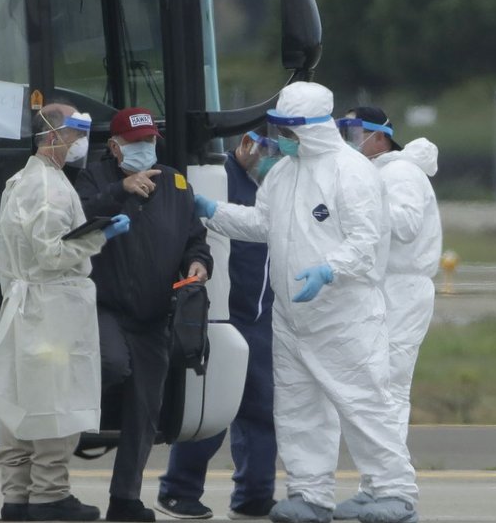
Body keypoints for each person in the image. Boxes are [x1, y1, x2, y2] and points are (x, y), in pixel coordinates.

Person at [193, 82, 420, 523]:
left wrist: (329, 269)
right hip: (291, 315)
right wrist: (212, 211)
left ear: (311, 129)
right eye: (278, 129)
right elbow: (263, 224)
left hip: (344, 312)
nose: (280, 139)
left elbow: (367, 240)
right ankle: (309, 492)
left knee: (364, 403)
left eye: (288, 130)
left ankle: (393, 490)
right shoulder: (282, 174)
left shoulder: (352, 172)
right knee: (297, 406)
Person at [0, 103, 130, 522]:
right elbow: (52, 253)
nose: (80, 143)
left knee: (23, 403)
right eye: (75, 133)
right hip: (51, 311)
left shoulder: (21, 181)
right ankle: (50, 496)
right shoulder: (48, 187)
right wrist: (99, 236)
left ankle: (17, 497)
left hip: (28, 309)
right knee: (55, 402)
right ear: (53, 135)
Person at [75, 107, 213, 522]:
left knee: (146, 408)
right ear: (115, 148)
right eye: (136, 143)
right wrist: (122, 189)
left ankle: (126, 498)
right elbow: (76, 219)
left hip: (155, 313)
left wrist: (200, 263)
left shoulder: (176, 183)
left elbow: (195, 239)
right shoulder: (92, 178)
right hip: (104, 304)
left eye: (150, 141)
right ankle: (72, 431)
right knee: (113, 365)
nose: (145, 149)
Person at [156, 131, 281, 520]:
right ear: (247, 143)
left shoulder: (276, 182)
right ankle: (179, 490)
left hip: (264, 315)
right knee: (213, 410)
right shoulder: (217, 177)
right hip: (226, 312)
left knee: (263, 409)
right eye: (271, 151)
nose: (276, 159)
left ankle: (254, 497)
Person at [332, 108, 441, 520]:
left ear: (380, 137)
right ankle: (374, 485)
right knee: (374, 388)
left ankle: (395, 492)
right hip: (382, 288)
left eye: (353, 131)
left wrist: (359, 209)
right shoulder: (377, 173)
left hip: (404, 288)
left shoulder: (402, 174)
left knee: (390, 388)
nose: (347, 139)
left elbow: (408, 224)